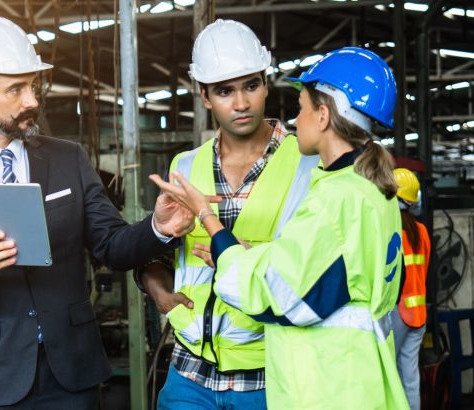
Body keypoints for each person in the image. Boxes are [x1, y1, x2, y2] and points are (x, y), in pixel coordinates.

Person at [0, 16, 195, 408]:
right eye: (16, 89)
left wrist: (157, 228)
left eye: (33, 86)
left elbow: (111, 245)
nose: (32, 101)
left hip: (72, 374)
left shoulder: (67, 159)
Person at [150, 47, 409, 408]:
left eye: (301, 108)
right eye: (225, 91)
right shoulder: (371, 190)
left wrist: (207, 218)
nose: (295, 120)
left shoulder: (334, 197)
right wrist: (256, 253)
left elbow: (269, 291)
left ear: (322, 116)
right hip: (352, 377)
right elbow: (321, 267)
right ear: (206, 96)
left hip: (328, 385)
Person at [139, 19, 319, 410]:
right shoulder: (184, 166)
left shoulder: (308, 165)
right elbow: (164, 254)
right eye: (224, 91)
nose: (241, 103)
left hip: (268, 371)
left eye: (251, 86)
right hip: (189, 373)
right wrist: (156, 286)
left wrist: (250, 256)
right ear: (204, 96)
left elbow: (317, 267)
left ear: (266, 83)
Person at [392, 167, 430, 410]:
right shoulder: (422, 232)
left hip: (398, 312)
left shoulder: (392, 231)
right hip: (419, 314)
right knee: (410, 378)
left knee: (389, 374)